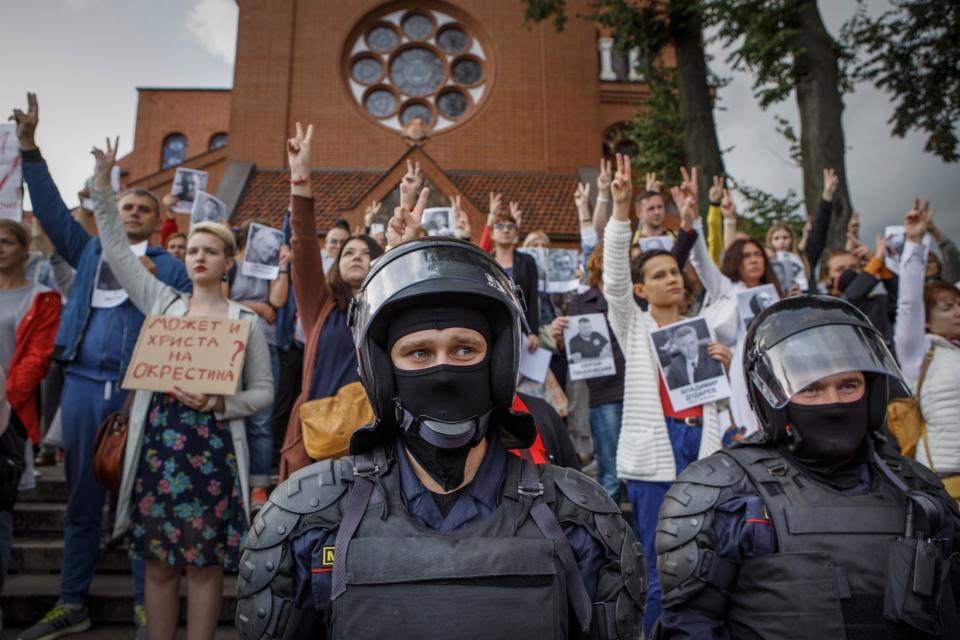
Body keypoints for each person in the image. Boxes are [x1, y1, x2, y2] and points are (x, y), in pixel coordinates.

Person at [235, 226, 645, 639]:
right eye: (419, 353)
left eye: (464, 349)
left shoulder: (577, 517)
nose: (444, 371)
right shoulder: (309, 518)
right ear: (384, 374)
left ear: (499, 366)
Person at [656, 295, 960, 639]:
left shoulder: (919, 490)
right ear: (773, 400)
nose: (833, 401)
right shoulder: (724, 493)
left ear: (872, 393)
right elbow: (690, 624)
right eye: (810, 389)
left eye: (848, 385)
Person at [11, 93, 191, 640]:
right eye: (126, 207)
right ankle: (72, 601)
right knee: (83, 501)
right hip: (86, 387)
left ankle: (145, 605)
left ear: (158, 223)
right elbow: (47, 210)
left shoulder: (173, 270)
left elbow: (183, 330)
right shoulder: (87, 251)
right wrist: (30, 149)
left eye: (143, 210)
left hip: (144, 393)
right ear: (111, 211)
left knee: (142, 504)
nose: (132, 214)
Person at [88, 139, 273, 640]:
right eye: (193, 250)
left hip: (212, 451)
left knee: (206, 567)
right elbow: (117, 250)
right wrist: (104, 187)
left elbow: (264, 393)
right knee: (159, 566)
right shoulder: (162, 304)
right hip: (159, 449)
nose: (199, 257)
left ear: (229, 262)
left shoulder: (246, 322)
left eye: (211, 251)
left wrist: (220, 401)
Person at [602, 155, 731, 638]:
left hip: (703, 446)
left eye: (674, 272)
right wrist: (620, 209)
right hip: (654, 458)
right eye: (658, 275)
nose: (671, 279)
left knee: (710, 556)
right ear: (641, 289)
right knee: (661, 568)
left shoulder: (705, 328)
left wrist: (726, 363)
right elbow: (613, 280)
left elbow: (721, 398)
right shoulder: (632, 325)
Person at [278, 123, 384, 479]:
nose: (355, 256)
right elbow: (304, 245)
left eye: (366, 252)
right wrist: (300, 175)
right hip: (320, 444)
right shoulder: (319, 306)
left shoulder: (387, 311)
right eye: (348, 252)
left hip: (380, 442)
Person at [686, 165, 783, 438]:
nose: (754, 259)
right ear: (735, 261)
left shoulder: (774, 296)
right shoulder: (725, 289)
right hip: (734, 378)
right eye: (747, 255)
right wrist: (694, 214)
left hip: (773, 375)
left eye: (758, 254)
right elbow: (699, 258)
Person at [0, 219, 61, 623]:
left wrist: (2, 402)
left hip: (7, 421)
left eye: (6, 241)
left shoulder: (42, 298)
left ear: (26, 248)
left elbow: (36, 360)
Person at [894, 199, 960, 498]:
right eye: (947, 307)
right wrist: (915, 242)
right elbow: (908, 302)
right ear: (927, 321)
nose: (958, 312)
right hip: (948, 481)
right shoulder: (919, 354)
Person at [229, 220, 289, 508]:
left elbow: (277, 300)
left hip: (266, 345)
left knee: (262, 418)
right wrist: (255, 307)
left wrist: (284, 266)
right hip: (229, 342)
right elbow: (216, 296)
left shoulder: (269, 267)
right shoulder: (229, 265)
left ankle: (258, 486)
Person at [489, 204, 540, 353]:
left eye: (510, 226)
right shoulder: (486, 262)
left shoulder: (527, 261)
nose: (505, 230)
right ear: (491, 233)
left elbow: (532, 298)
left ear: (516, 233)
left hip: (522, 329)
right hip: (494, 326)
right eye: (499, 226)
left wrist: (533, 332)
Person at [664, 325, 723, 389]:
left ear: (697, 341)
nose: (689, 348)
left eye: (692, 343)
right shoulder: (674, 364)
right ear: (679, 347)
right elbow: (670, 389)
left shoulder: (713, 358)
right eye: (684, 345)